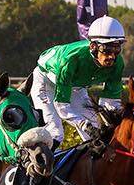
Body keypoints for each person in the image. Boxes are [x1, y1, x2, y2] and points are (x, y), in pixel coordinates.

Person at [31, 16, 127, 149]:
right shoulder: (70, 60)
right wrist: (82, 124)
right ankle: (40, 167)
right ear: (93, 47)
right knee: (55, 133)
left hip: (75, 86)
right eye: (107, 50)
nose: (112, 56)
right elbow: (62, 106)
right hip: (46, 82)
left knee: (96, 133)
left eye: (116, 50)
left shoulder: (118, 64)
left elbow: (110, 103)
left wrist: (121, 121)